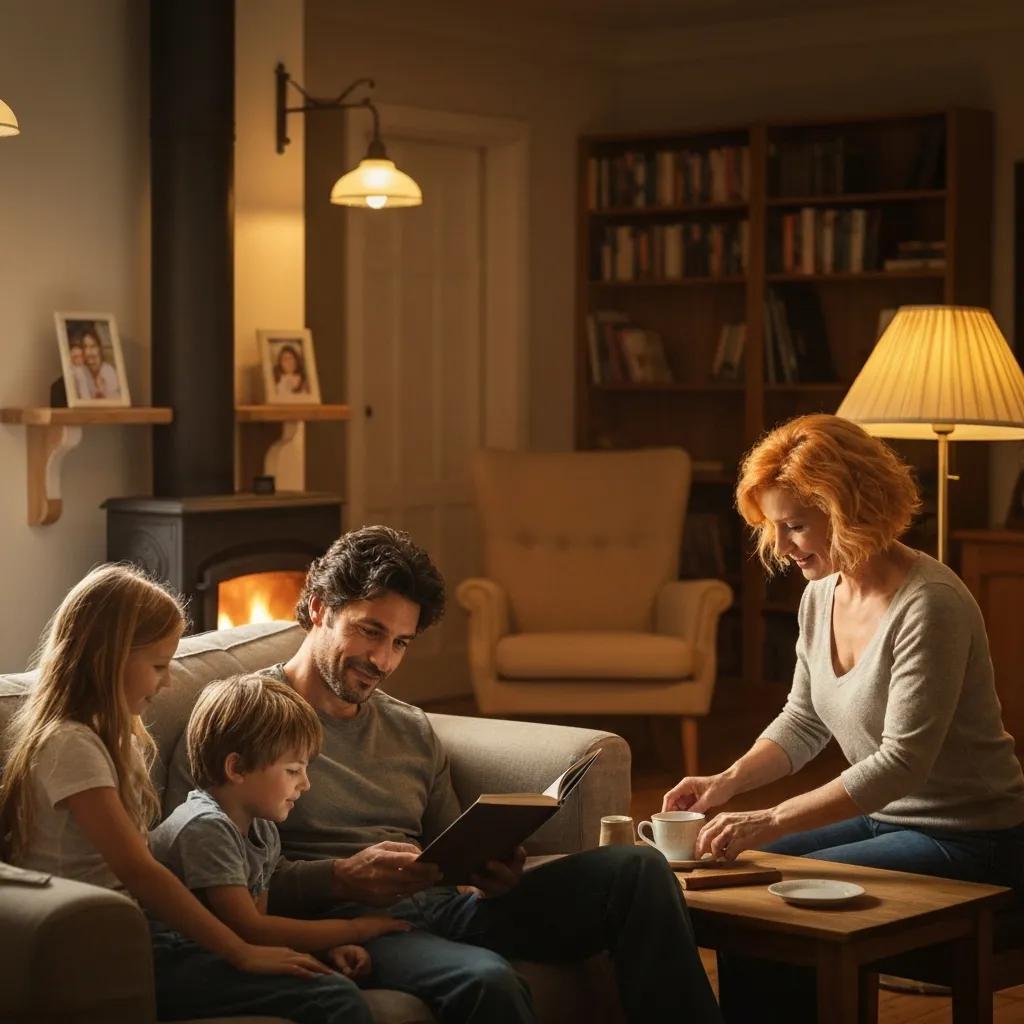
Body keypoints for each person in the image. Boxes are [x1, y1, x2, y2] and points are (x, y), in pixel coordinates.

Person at [170, 524, 723, 1024]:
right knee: (486, 981)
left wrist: (493, 867)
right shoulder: (245, 720)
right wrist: (337, 877)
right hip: (354, 919)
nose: (382, 660)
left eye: (401, 643)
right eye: (370, 632)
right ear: (319, 609)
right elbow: (206, 867)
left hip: (445, 906)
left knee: (638, 868)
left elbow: (449, 845)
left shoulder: (410, 729)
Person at [661, 413, 1024, 1022]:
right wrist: (724, 785)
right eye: (774, 528)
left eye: (796, 525)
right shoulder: (820, 593)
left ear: (852, 508)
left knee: (777, 899)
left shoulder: (930, 603)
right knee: (745, 886)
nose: (780, 547)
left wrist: (769, 817)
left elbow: (900, 765)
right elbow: (802, 721)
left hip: (974, 841)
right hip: (885, 822)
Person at [0, 563, 369, 1024]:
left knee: (330, 985)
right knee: (331, 1000)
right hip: (99, 948)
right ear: (110, 657)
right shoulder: (70, 745)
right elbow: (138, 870)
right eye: (157, 665)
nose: (168, 681)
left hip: (144, 931)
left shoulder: (120, 739)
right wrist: (241, 953)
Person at [151, 673, 412, 1019]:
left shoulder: (263, 828)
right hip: (171, 963)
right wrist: (360, 929)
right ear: (237, 768)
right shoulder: (206, 828)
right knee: (333, 996)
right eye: (292, 770)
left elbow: (261, 922)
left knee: (329, 981)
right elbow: (250, 929)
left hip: (219, 952)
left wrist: (329, 948)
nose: (305, 784)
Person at [79, 326, 121, 400]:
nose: (89, 352)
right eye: (85, 347)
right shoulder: (81, 372)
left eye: (93, 346)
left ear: (99, 349)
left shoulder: (109, 371)